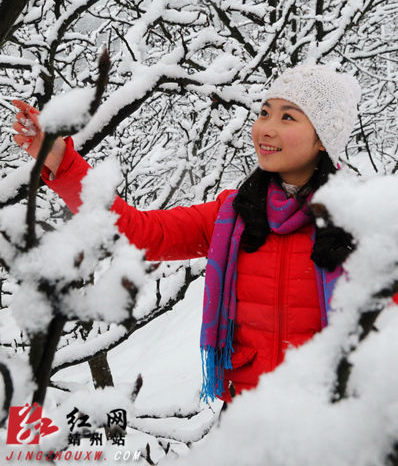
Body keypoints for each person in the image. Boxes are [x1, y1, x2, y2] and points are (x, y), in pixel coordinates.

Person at [13, 64, 390, 405]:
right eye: (263, 113)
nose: (266, 129)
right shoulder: (234, 214)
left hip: (334, 420)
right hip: (247, 416)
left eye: (287, 117)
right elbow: (139, 232)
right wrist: (63, 164)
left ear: (323, 139)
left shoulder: (362, 221)